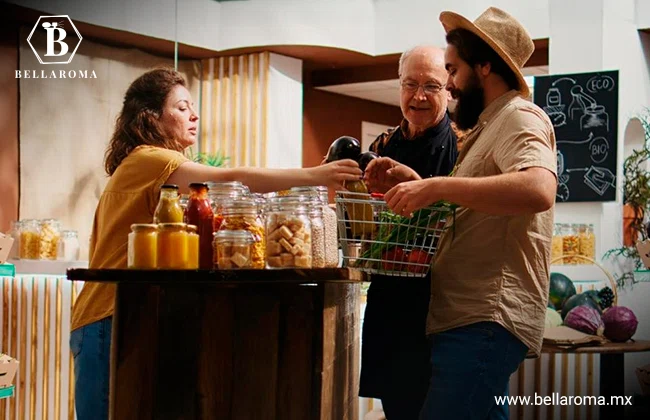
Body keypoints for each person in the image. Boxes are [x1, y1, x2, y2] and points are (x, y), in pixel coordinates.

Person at [69, 68, 362, 420]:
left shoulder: (157, 167)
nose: (194, 115)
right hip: (108, 313)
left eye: (193, 107)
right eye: (181, 107)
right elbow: (232, 178)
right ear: (151, 117)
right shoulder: (151, 159)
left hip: (128, 311)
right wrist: (315, 175)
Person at [381, 7, 557, 419]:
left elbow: (538, 187)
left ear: (484, 66)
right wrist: (418, 182)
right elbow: (480, 207)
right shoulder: (487, 127)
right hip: (468, 317)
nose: (451, 85)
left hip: (485, 316)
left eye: (453, 71)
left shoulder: (519, 116)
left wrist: (437, 185)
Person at [358, 46, 458, 419]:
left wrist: (415, 184)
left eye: (431, 86)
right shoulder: (382, 145)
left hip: (441, 306)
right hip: (390, 302)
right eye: (409, 84)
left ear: (449, 89)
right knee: (398, 408)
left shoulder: (465, 145)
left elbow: (466, 222)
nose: (418, 96)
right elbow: (368, 223)